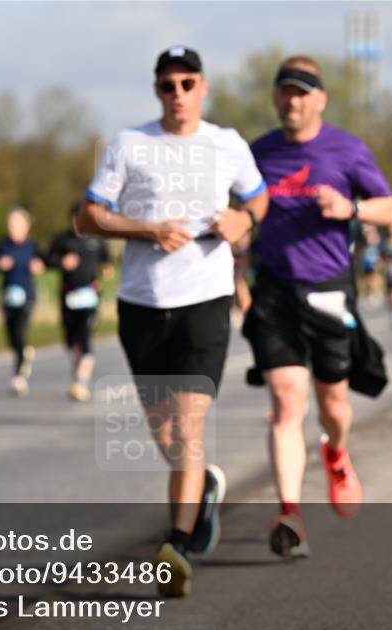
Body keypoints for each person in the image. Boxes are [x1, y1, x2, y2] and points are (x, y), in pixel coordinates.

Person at [76, 46, 268, 597]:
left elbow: (259, 199)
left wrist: (242, 217)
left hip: (206, 298)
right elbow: (90, 216)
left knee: (188, 430)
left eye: (187, 83)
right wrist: (146, 230)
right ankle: (202, 484)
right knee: (167, 436)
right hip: (142, 304)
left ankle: (176, 546)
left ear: (203, 86)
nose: (178, 94)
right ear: (157, 90)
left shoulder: (228, 144)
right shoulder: (129, 144)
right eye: (168, 85)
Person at [245, 55, 392, 559]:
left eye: (302, 92)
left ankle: (335, 452)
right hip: (274, 290)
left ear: (320, 99)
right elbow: (239, 213)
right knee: (287, 401)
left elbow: (390, 210)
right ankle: (290, 513)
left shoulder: (347, 150)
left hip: (329, 288)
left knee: (333, 403)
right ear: (275, 98)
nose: (293, 100)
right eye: (285, 91)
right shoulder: (257, 153)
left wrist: (350, 208)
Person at [47, 202, 113, 401]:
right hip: (68, 295)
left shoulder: (97, 241)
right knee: (70, 339)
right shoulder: (62, 240)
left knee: (84, 336)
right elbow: (46, 260)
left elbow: (107, 263)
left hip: (89, 295)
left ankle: (81, 381)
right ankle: (78, 376)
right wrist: (61, 263)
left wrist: (106, 271)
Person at [0, 207, 45, 397]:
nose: (12, 227)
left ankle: (19, 377)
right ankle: (24, 354)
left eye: (16, 224)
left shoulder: (33, 246)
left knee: (20, 333)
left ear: (26, 226)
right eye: (10, 224)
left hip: (27, 296)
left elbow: (49, 262)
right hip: (7, 296)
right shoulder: (2, 245)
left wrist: (39, 266)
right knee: (11, 337)